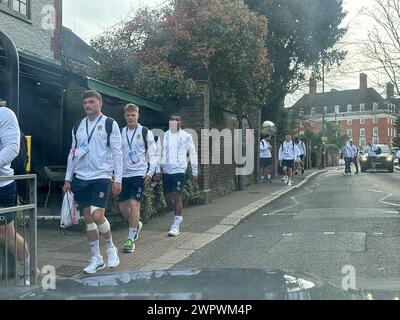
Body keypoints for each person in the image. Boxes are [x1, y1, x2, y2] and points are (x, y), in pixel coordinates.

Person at [62, 90, 123, 274]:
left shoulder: (110, 124)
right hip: (81, 178)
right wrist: (67, 178)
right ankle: (96, 258)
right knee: (88, 218)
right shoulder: (78, 126)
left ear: (100, 103)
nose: (88, 105)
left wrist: (118, 179)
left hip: (101, 176)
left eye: (91, 102)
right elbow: (72, 153)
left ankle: (111, 249)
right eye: (85, 103)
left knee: (97, 216)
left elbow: (118, 153)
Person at [118, 104, 158, 253]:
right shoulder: (120, 132)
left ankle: (130, 238)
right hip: (123, 175)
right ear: (125, 116)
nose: (130, 118)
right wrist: (113, 171)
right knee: (122, 207)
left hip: (139, 174)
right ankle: (136, 224)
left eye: (133, 115)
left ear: (137, 116)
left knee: (134, 205)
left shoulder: (144, 131)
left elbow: (154, 153)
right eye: (128, 115)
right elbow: (114, 153)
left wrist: (150, 172)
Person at [0, 99, 31, 285]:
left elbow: (12, 148)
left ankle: (27, 272)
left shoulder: (5, 114)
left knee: (5, 234)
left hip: (2, 185)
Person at [157, 113, 198, 237]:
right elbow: (158, 154)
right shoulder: (163, 136)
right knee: (168, 199)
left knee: (177, 195)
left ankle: (175, 224)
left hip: (180, 171)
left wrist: (195, 171)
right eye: (173, 119)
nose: (175, 121)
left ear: (181, 122)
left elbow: (193, 154)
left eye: (178, 120)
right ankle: (177, 216)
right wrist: (158, 170)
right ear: (169, 122)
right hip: (167, 172)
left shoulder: (187, 137)